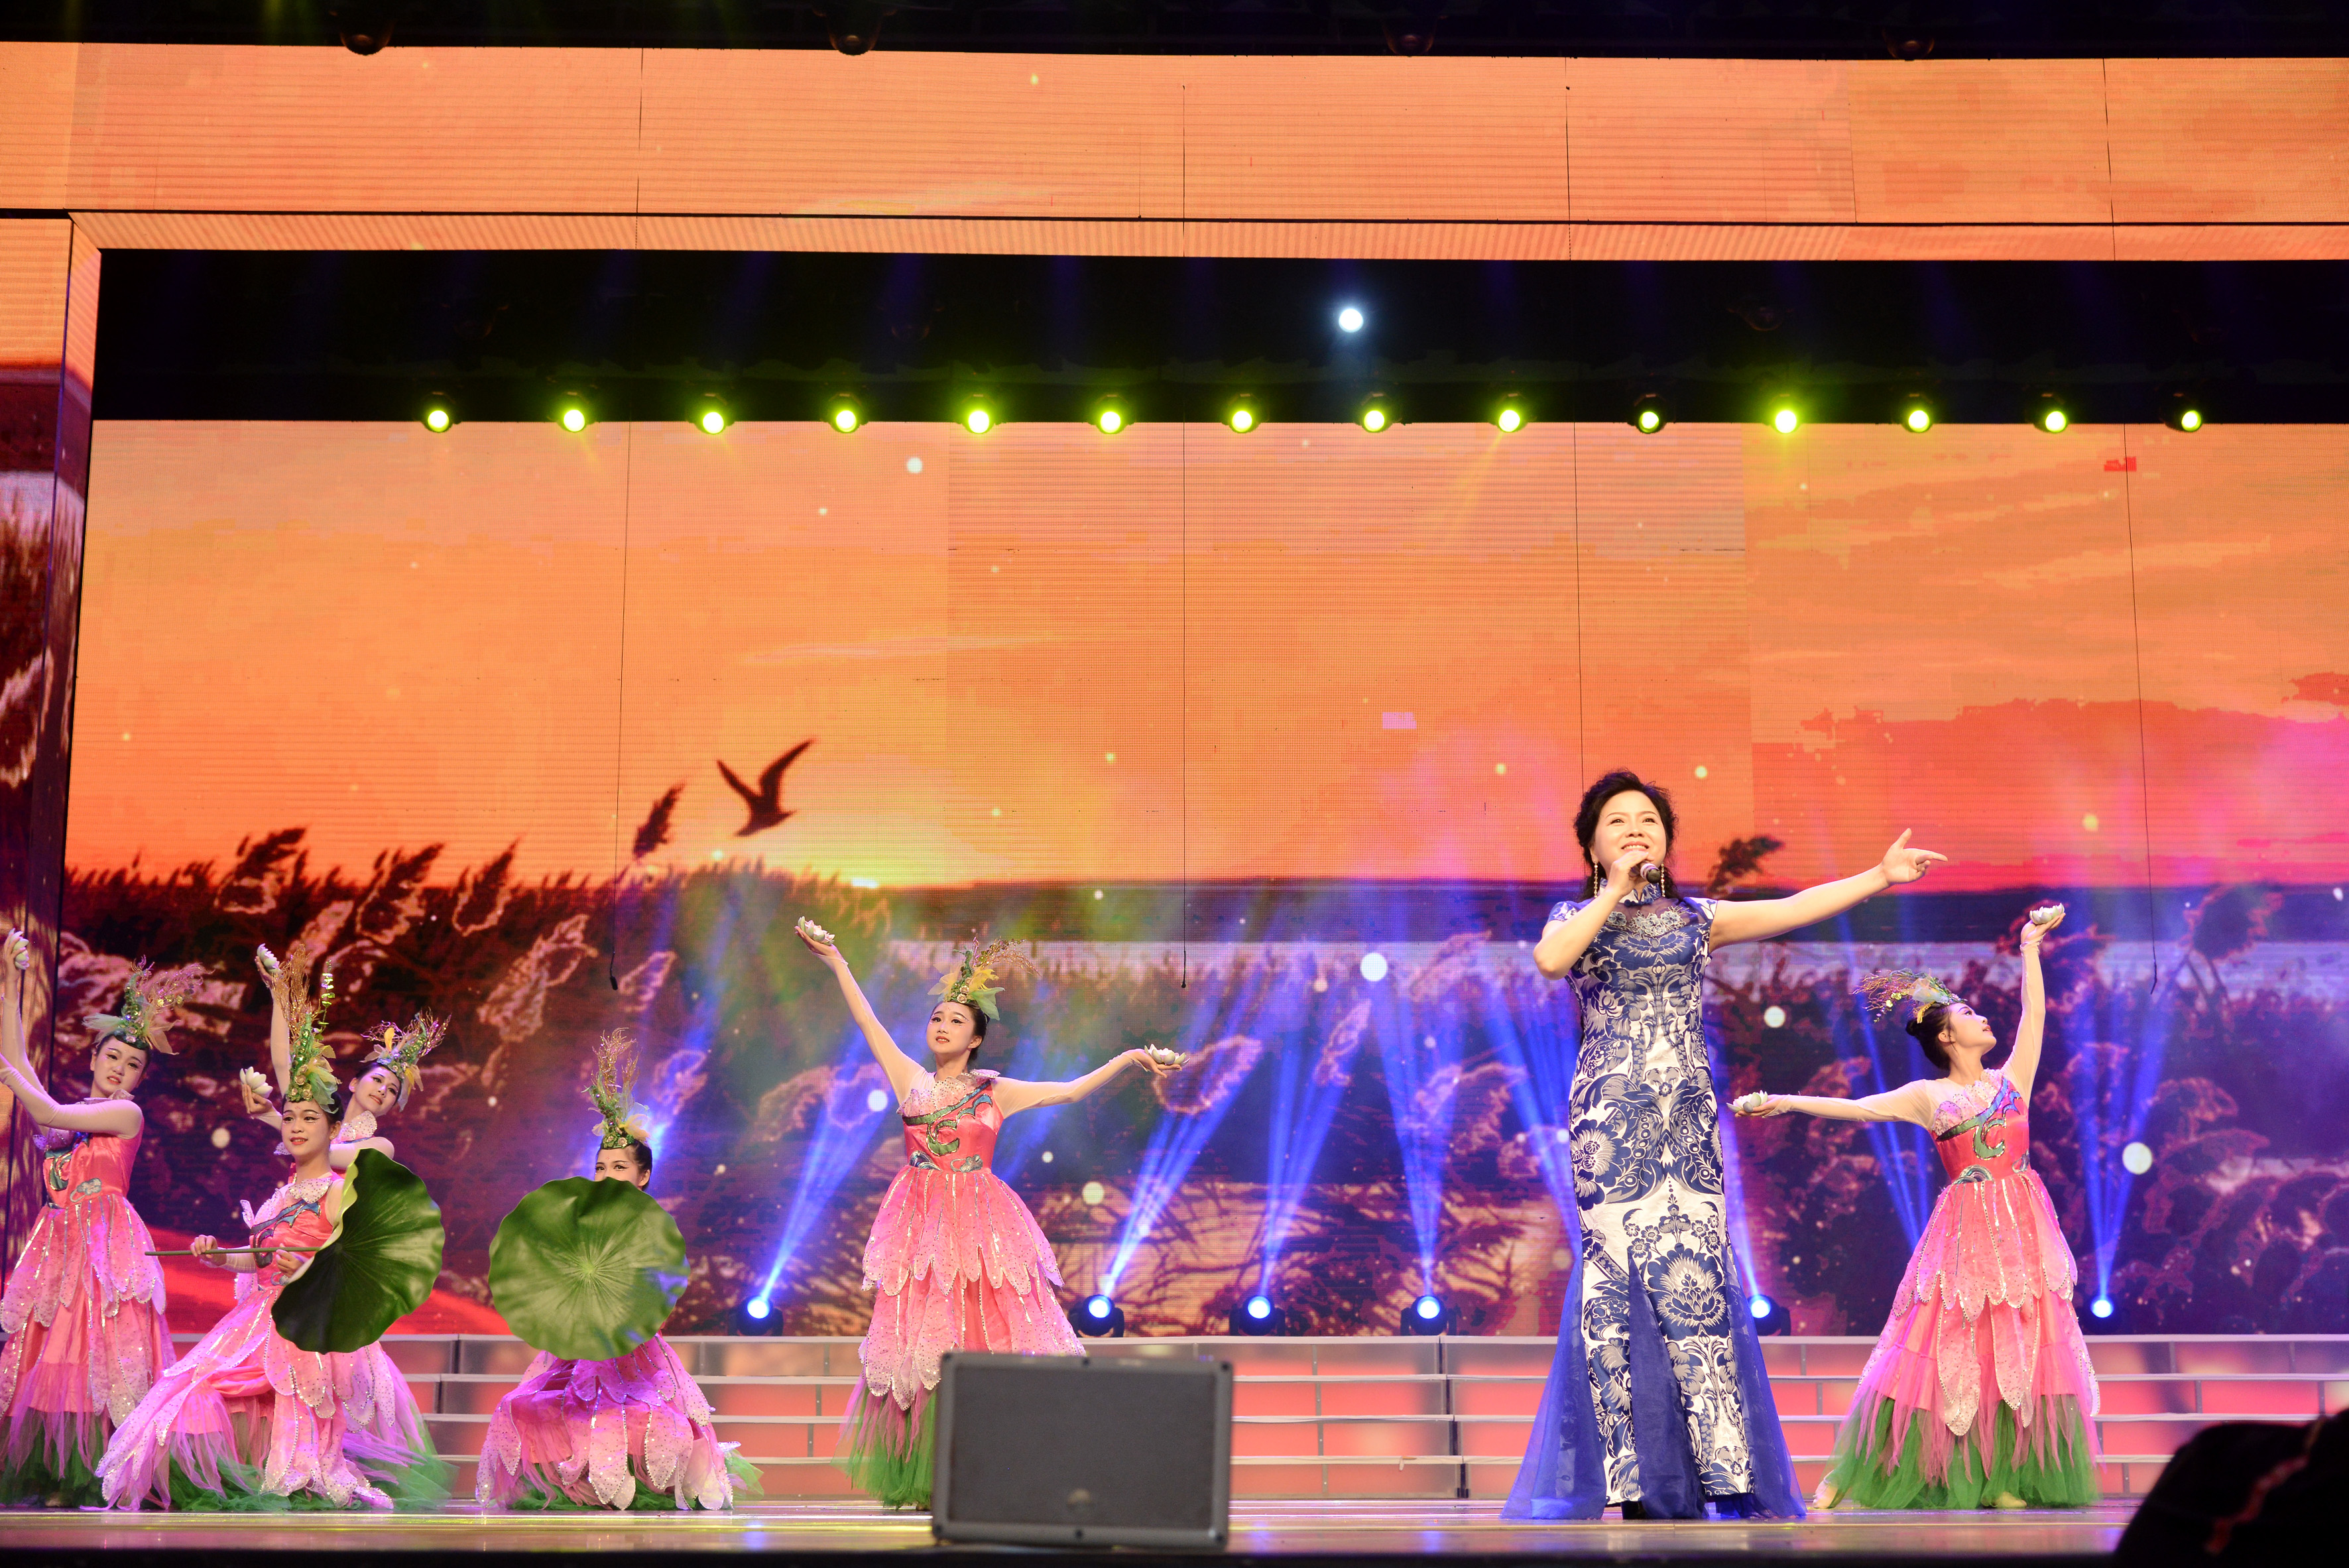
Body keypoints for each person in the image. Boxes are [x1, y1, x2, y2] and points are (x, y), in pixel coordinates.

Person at [1505, 768, 1947, 1521]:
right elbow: (1551, 962)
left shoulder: (1696, 918)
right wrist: (1612, 891)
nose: (1636, 830)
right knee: (1621, 1286)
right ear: (1591, 845)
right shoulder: (1573, 916)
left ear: (1667, 839)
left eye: (1648, 820)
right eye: (1618, 822)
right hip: (1611, 1126)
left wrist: (1878, 875)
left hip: (1685, 1122)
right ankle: (1633, 1480)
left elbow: (1793, 908)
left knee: (1697, 1283)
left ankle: (1712, 1473)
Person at [797, 922, 1178, 1509]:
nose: (941, 1025)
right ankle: (933, 1471)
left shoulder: (996, 1091)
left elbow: (1070, 1091)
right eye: (936, 1017)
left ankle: (1000, 1465)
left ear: (975, 1037)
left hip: (982, 1225)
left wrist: (1129, 1058)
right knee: (925, 1340)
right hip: (922, 1226)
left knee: (991, 1332)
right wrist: (837, 961)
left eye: (955, 1020)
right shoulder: (911, 1080)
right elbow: (868, 1023)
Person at [1734, 905, 2099, 1509]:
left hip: (2022, 1230)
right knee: (1938, 1342)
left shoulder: (2012, 1080)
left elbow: (2034, 1014)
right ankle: (1853, 1471)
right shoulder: (1927, 1095)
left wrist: (2030, 948)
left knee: (2016, 1344)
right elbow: (1858, 1108)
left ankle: (2001, 1475)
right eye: (1969, 1014)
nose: (1983, 1017)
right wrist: (1783, 1100)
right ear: (1946, 1036)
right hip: (1965, 1232)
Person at [96, 947, 396, 1510]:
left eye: (308, 1117)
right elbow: (258, 1258)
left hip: (305, 1324)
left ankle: (291, 1471)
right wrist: (219, 1256)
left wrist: (311, 1266)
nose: (295, 1124)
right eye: (291, 1117)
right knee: (185, 1394)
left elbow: (356, 1264)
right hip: (256, 1318)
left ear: (330, 1124)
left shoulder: (356, 1167)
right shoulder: (285, 1192)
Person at [473, 1030, 754, 1511]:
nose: (606, 1177)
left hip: (635, 1359)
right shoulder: (577, 1226)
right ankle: (573, 1485)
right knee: (519, 1406)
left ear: (643, 1176)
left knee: (637, 1419)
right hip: (574, 1353)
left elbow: (654, 1303)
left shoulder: (653, 1232)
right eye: (600, 1168)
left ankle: (633, 1484)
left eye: (619, 1168)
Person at [241, 949, 445, 1471]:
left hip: (329, 1256)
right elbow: (285, 1065)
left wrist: (275, 1120)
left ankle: (323, 1460)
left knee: (330, 1370)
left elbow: (321, 1151)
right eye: (377, 1079)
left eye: (393, 1090)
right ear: (354, 1081)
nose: (382, 1090)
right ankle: (279, 1456)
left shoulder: (378, 1148)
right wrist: (279, 996)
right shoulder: (317, 1114)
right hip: (290, 1233)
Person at [0, 933, 184, 1504]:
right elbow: (23, 1068)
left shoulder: (126, 1114)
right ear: (93, 1057)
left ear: (140, 1078)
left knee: (95, 1355)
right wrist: (11, 983)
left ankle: (96, 1472)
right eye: (113, 1057)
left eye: (133, 1065)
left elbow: (39, 1100)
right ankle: (55, 1474)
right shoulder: (73, 1118)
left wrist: (9, 1076)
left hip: (104, 1244)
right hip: (58, 1244)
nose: (120, 1070)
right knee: (51, 1354)